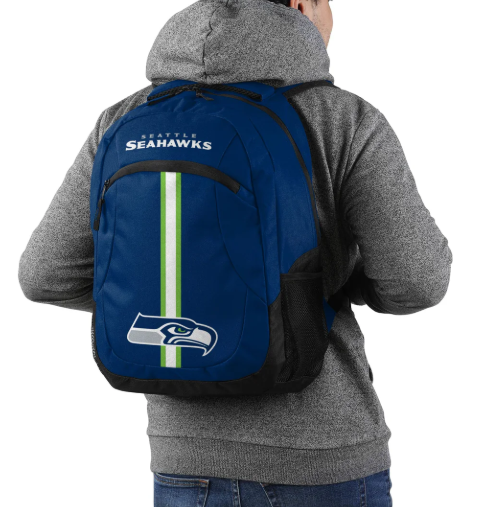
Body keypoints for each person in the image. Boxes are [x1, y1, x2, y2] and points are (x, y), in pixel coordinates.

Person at [19, 0, 452, 505]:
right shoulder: (342, 117)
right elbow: (417, 280)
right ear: (301, 5)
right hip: (321, 459)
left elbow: (45, 275)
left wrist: (173, 296)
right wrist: (319, 281)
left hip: (183, 463)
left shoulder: (125, 118)